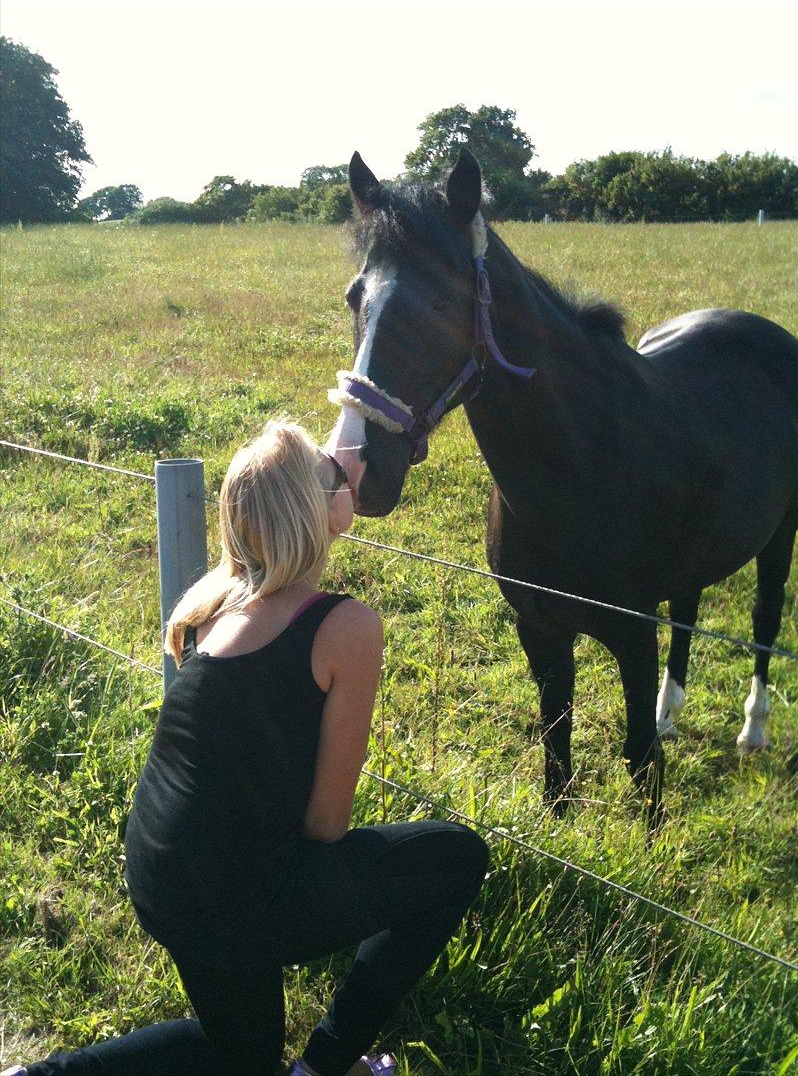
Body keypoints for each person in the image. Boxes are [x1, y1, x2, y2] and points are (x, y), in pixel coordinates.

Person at [7, 420, 489, 1076]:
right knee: (458, 858)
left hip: (157, 872)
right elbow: (325, 827)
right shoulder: (346, 627)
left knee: (242, 1058)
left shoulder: (217, 600)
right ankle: (324, 1064)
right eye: (332, 475)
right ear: (314, 508)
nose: (345, 475)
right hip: (229, 895)